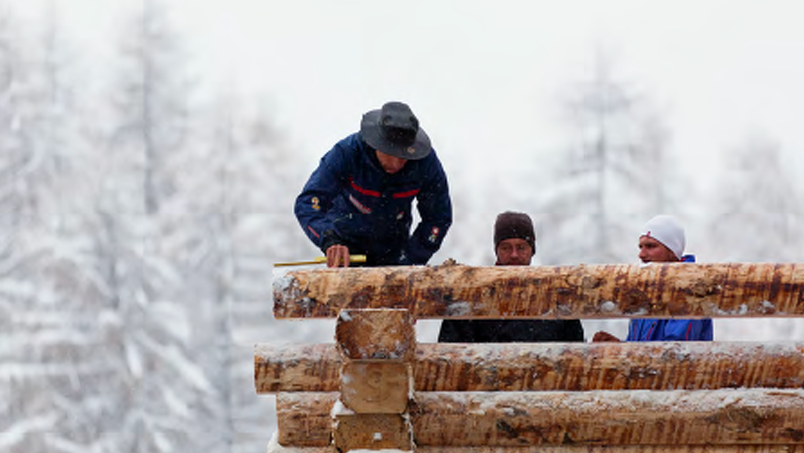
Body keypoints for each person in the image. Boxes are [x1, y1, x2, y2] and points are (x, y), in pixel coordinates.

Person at [295, 101, 452, 268]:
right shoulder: (346, 153)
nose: (397, 163)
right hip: (346, 250)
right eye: (391, 153)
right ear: (376, 144)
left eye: (404, 156)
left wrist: (410, 259)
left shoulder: (425, 163)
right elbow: (309, 201)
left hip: (395, 252)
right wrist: (328, 238)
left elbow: (438, 218)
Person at [438, 211, 585, 342]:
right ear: (497, 251)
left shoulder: (555, 295)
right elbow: (450, 354)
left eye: (521, 247)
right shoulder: (472, 294)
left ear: (531, 250)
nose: (514, 255)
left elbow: (574, 352)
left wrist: (598, 347)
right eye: (506, 247)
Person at [592, 215, 713, 342]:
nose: (641, 254)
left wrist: (624, 352)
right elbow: (643, 350)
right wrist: (616, 349)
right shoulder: (646, 292)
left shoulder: (689, 290)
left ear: (672, 251)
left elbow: (676, 354)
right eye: (641, 247)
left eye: (650, 246)